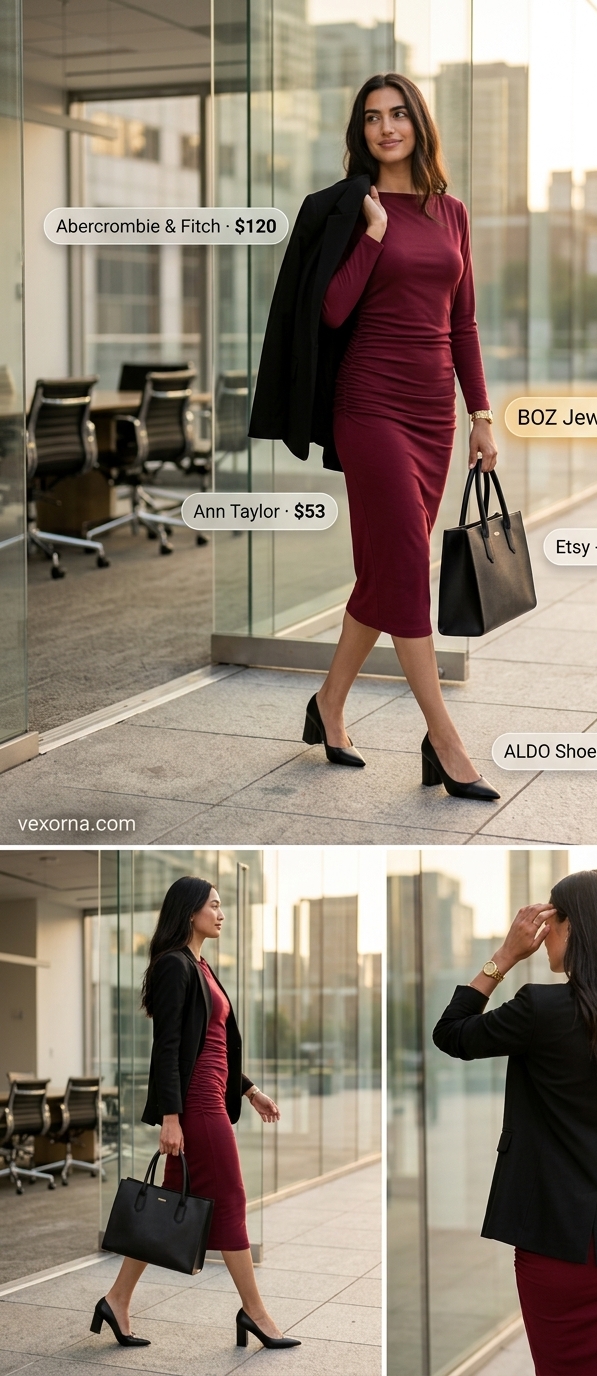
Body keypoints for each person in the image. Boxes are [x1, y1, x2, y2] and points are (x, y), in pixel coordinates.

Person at [250, 72, 500, 801]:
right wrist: (375, 233)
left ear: (419, 124)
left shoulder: (452, 213)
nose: (386, 127)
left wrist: (481, 415)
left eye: (397, 114)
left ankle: (328, 704)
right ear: (360, 132)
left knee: (384, 572)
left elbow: (462, 323)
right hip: (369, 407)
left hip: (432, 416)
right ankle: (444, 741)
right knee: (406, 572)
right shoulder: (351, 209)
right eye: (371, 118)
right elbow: (329, 310)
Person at [433, 869, 597, 1376]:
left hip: (552, 1247)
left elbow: (452, 1034)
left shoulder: (540, 1008)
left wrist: (504, 956)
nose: (544, 933)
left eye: (551, 920)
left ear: (573, 927)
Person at [90, 877, 300, 1352]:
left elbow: (211, 1046)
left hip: (210, 1098)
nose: (222, 914)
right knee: (231, 1198)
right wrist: (171, 1117)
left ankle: (116, 1300)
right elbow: (167, 1047)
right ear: (190, 912)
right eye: (214, 906)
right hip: (197, 1105)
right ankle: (255, 1313)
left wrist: (250, 1091)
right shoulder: (174, 965)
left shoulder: (199, 965)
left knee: (167, 1202)